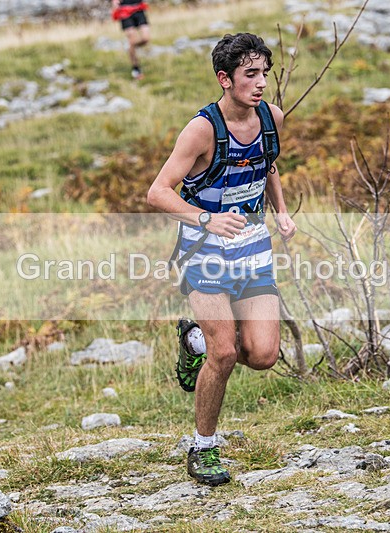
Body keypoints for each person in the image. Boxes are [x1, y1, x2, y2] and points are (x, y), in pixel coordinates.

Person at [147, 33, 296, 486]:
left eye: (264, 74)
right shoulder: (202, 129)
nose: (261, 84)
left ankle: (193, 341)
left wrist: (283, 211)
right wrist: (205, 219)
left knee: (264, 355)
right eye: (250, 75)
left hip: (253, 249)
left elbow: (266, 164)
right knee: (226, 352)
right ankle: (203, 448)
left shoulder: (272, 118)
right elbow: (157, 192)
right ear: (224, 79)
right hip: (204, 251)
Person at [111, 0, 150, 79]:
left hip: (138, 8)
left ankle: (131, 48)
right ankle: (136, 68)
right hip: (124, 10)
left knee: (146, 38)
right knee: (132, 40)